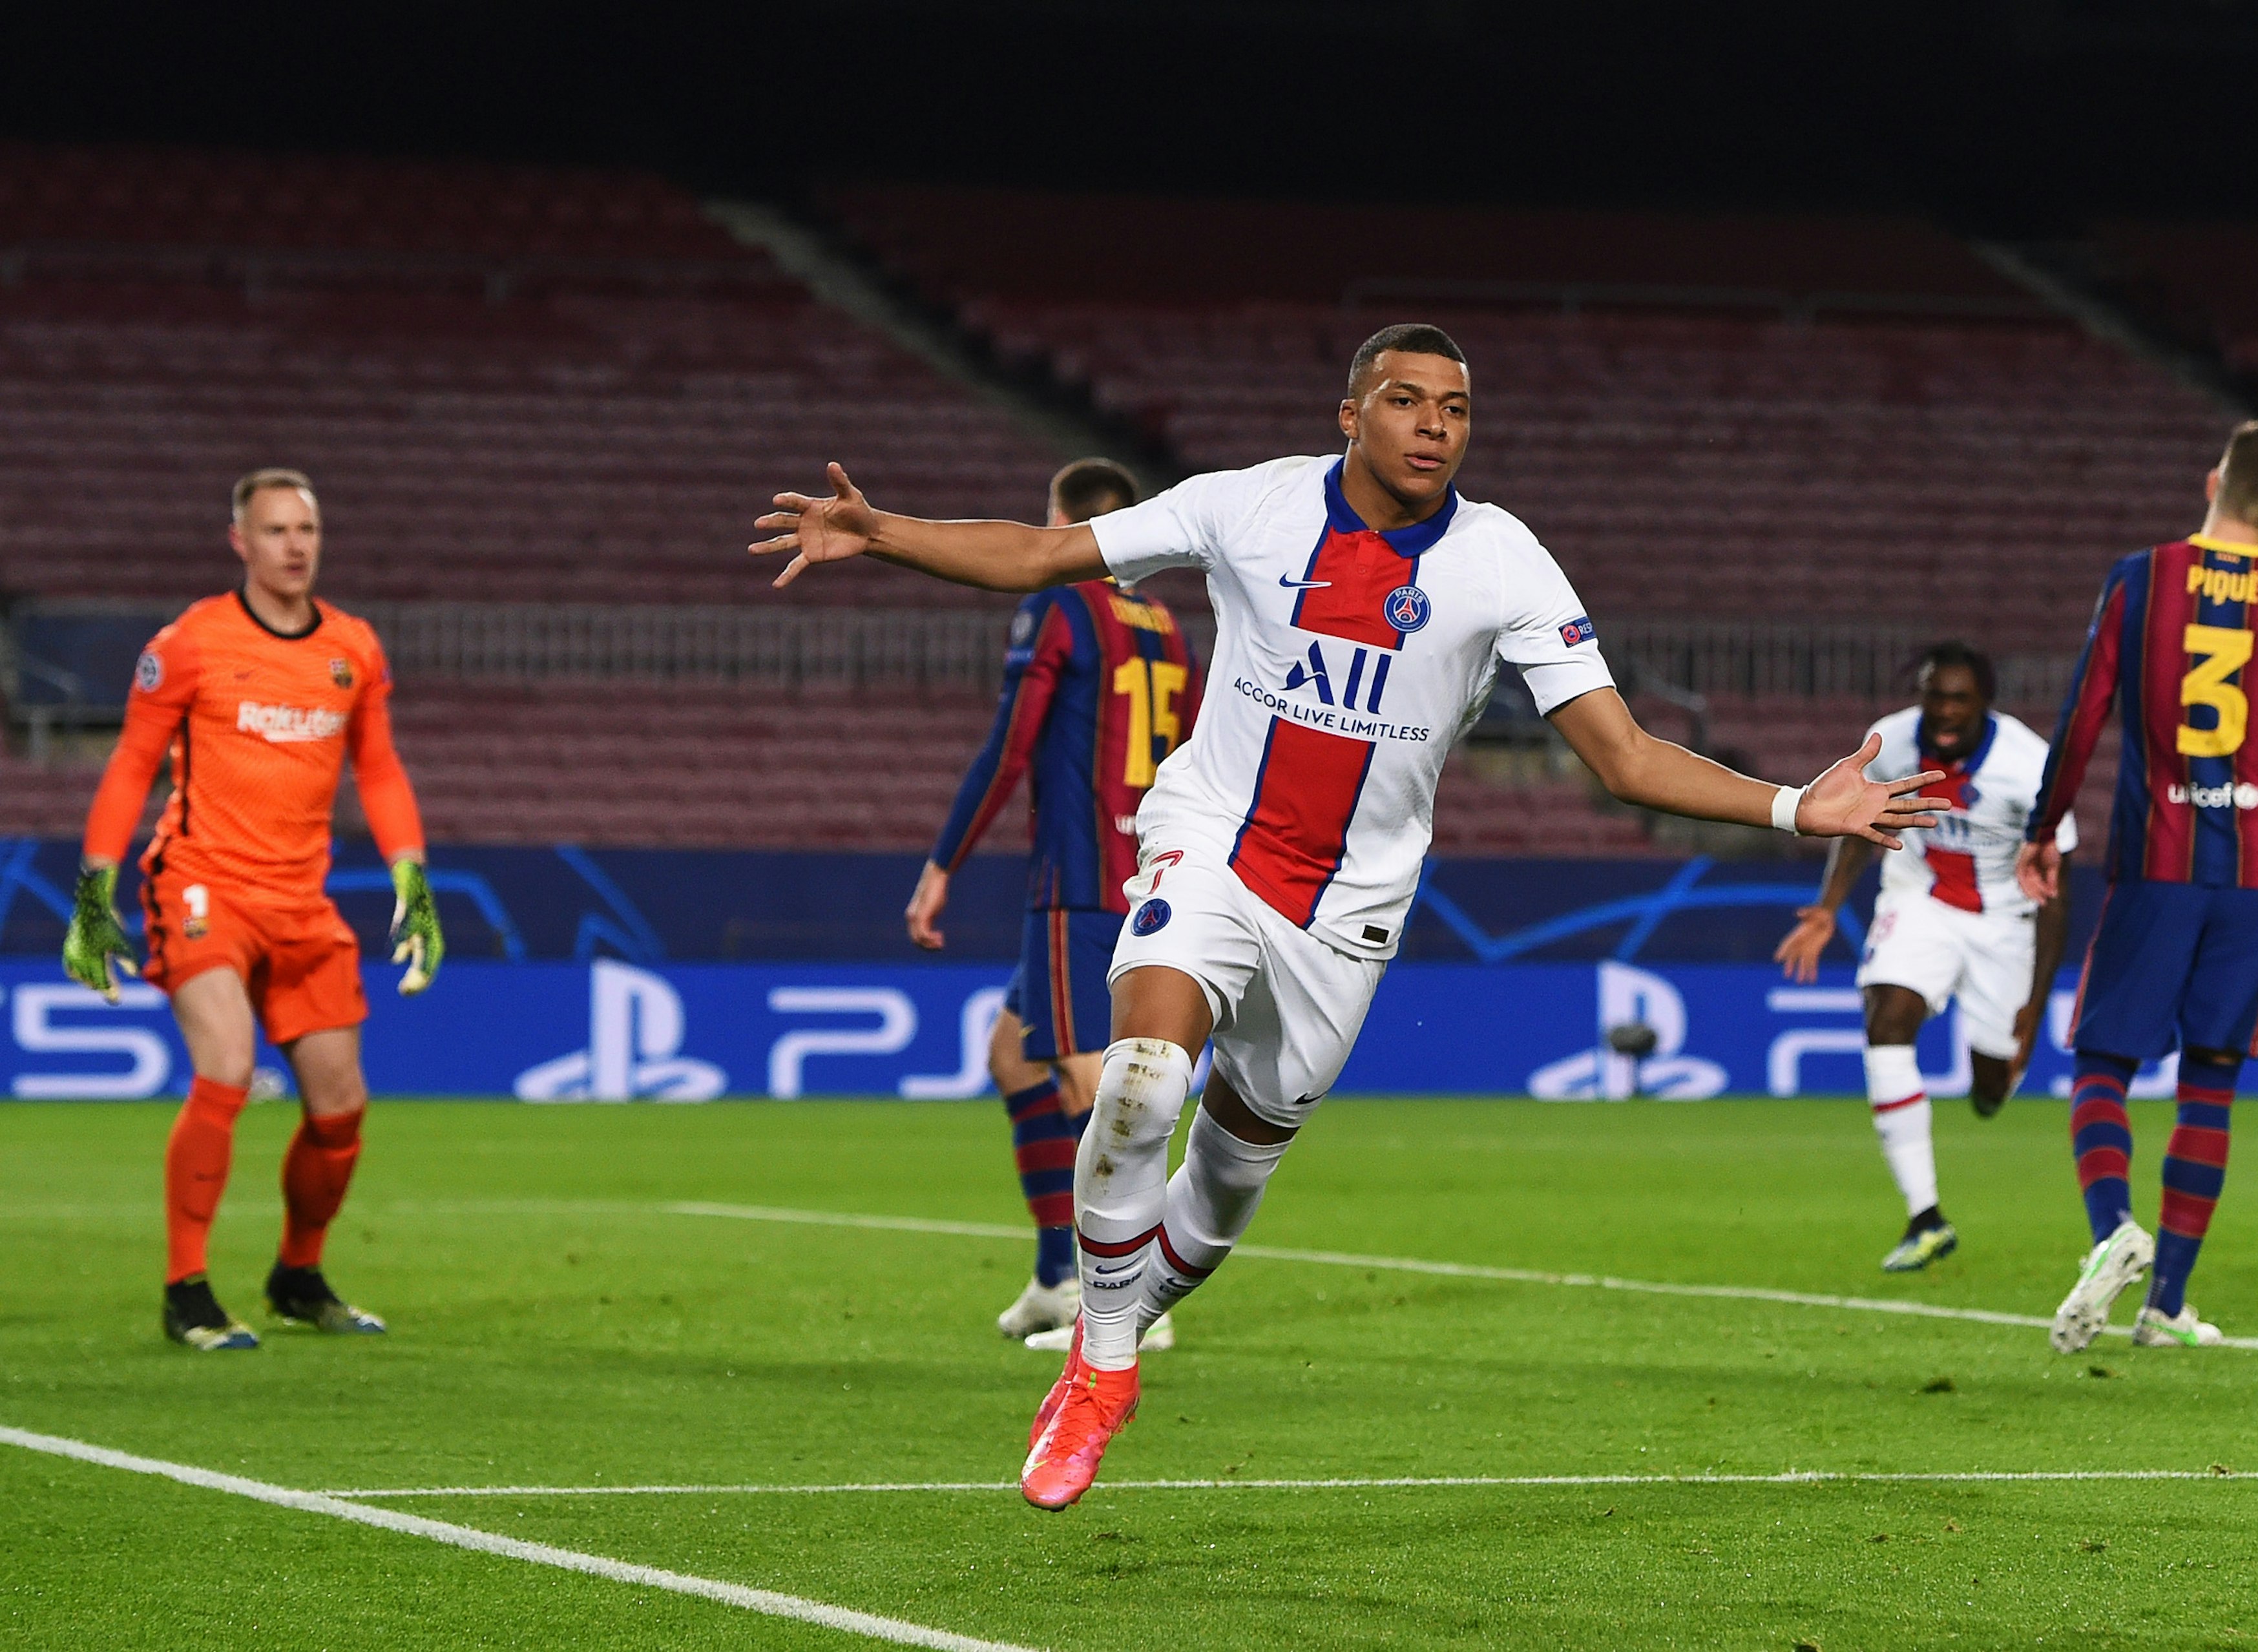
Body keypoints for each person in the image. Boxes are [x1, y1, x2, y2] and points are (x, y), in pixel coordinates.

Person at [751, 323, 1949, 1509]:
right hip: (1213, 847)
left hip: (1351, 914)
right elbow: (1043, 551)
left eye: (1456, 408)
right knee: (1141, 1081)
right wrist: (882, 530)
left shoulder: (1503, 561)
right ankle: (1102, 1368)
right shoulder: (1250, 506)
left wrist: (1796, 806)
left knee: (1224, 1187)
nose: (1435, 425)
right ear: (1351, 414)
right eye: (1407, 400)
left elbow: (1625, 756)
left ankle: (1116, 1322)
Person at [63, 468, 443, 1352]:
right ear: (240, 541)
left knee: (340, 1107)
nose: (294, 546)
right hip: (202, 885)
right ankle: (186, 1290)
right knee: (228, 1065)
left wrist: (414, 881)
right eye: (275, 530)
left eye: (306, 529)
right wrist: (92, 891)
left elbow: (378, 768)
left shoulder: (352, 647)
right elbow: (131, 765)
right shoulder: (191, 643)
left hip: (301, 897)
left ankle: (297, 1276)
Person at [2020, 421, 2258, 1354]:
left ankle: (2112, 1230)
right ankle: (2166, 1303)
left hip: (2155, 865)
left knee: (2103, 1064)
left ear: (2212, 482)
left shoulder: (2141, 580)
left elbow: (2083, 713)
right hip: (2255, 875)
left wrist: (2044, 829)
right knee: (2211, 1083)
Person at [905, 458, 1198, 1343]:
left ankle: (1128, 1301)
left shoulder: (1063, 605)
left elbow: (1011, 745)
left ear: (1067, 525)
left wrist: (943, 862)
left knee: (1085, 1075)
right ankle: (1053, 1278)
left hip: (1079, 878)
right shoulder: (1168, 626)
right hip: (1145, 866)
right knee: (1015, 1056)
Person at [1776, 642, 2074, 1272]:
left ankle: (1993, 1082)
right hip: (1921, 901)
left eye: (1959, 699)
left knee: (1992, 1087)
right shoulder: (1890, 742)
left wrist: (2036, 1003)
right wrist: (1828, 907)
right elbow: (1859, 828)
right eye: (1934, 695)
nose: (1944, 710)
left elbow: (2057, 894)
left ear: (1986, 703)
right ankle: (1925, 1216)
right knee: (1887, 1018)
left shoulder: (2031, 766)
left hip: (2006, 924)